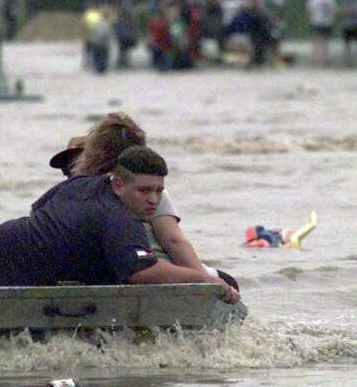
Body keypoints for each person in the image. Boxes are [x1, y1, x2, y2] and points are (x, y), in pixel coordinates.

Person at [0, 146, 240, 303]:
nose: (153, 200)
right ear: (118, 183)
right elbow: (142, 273)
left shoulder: (81, 183)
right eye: (144, 191)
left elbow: (38, 208)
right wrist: (204, 278)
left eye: (159, 191)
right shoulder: (120, 218)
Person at [71, 112, 238, 289]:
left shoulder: (81, 190)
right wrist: (206, 280)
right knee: (228, 281)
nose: (152, 198)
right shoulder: (149, 190)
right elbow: (174, 241)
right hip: (151, 268)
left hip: (104, 271)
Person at [305, 0, 337, 66]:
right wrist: (310, 19)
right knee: (315, 40)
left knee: (326, 41)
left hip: (327, 22)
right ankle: (314, 59)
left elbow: (333, 9)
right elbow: (310, 8)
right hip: (316, 21)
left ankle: (325, 59)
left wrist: (333, 19)